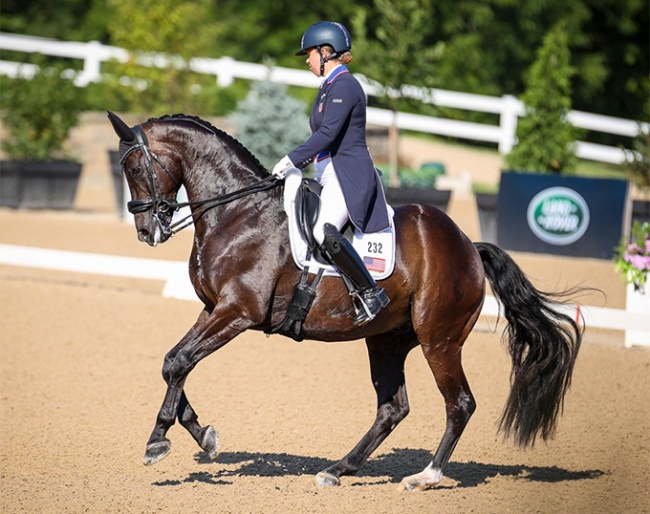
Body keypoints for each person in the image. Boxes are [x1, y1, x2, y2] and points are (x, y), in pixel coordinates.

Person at [272, 21, 391, 325]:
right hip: (327, 172)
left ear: (326, 52)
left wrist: (291, 159)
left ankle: (369, 294)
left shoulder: (346, 86)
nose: (308, 60)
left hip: (347, 174)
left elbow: (327, 134)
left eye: (310, 54)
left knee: (322, 229)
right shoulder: (328, 88)